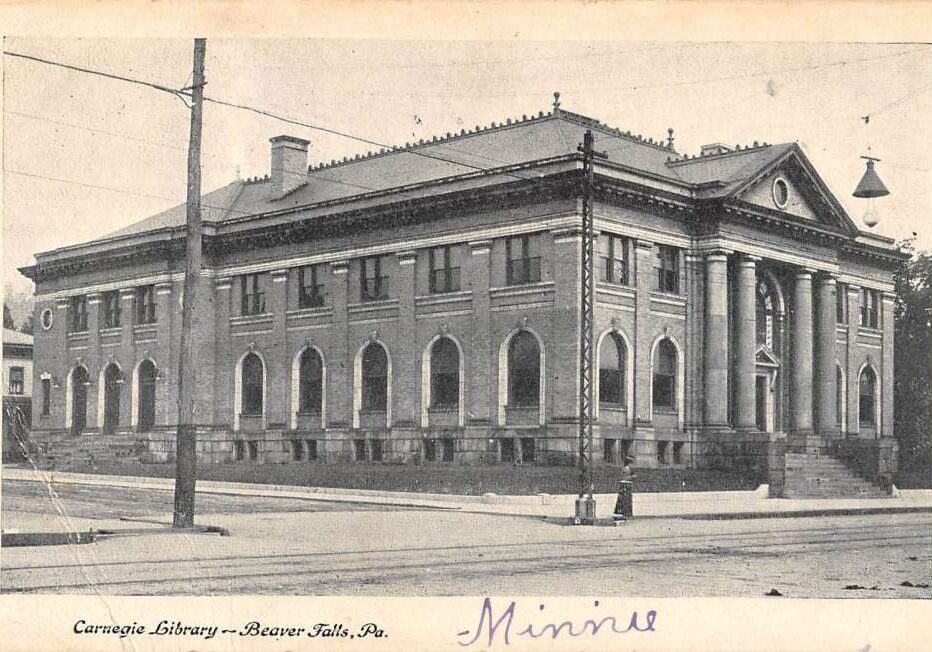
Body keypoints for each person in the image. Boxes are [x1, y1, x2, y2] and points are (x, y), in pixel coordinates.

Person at [614, 455, 636, 521]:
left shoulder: (626, 468)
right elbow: (625, 478)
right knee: (625, 499)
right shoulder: (626, 469)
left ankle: (624, 512)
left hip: (626, 485)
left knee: (625, 499)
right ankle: (625, 512)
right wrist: (632, 477)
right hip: (625, 485)